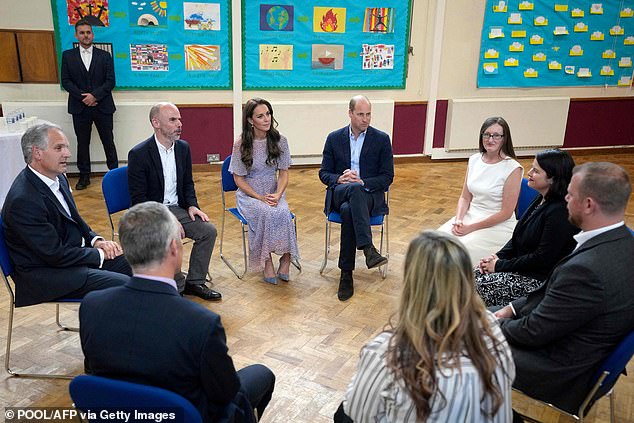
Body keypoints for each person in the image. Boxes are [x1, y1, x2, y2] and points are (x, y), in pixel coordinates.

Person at [79, 201, 275, 422]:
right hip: (185, 415)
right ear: (174, 248)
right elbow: (226, 393)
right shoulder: (201, 322)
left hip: (119, 413)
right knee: (261, 375)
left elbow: (94, 371)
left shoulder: (92, 305)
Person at [495, 162, 634, 417]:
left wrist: (486, 326)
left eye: (570, 194)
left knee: (456, 341)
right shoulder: (623, 240)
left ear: (589, 204)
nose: (565, 199)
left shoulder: (588, 270)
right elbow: (555, 297)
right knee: (475, 316)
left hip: (559, 369)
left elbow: (534, 332)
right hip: (572, 338)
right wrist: (511, 308)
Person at [336, 231, 514, 423]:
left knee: (343, 414)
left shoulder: (387, 352)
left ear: (411, 285)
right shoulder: (491, 326)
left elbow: (358, 413)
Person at [1, 122, 131, 307]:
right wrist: (98, 254)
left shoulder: (58, 178)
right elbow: (53, 254)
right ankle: (114, 333)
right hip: (46, 275)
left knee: (139, 265)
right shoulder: (24, 200)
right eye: (59, 148)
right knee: (124, 286)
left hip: (70, 259)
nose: (67, 154)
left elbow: (75, 220)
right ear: (37, 153)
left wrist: (97, 241)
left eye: (66, 147)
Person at [128, 102, 221, 301]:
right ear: (156, 123)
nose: (179, 124)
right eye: (173, 120)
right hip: (151, 212)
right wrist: (168, 218)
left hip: (177, 208)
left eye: (179, 119)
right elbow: (139, 201)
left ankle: (195, 282)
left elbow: (187, 183)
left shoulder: (183, 148)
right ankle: (175, 290)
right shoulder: (139, 154)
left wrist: (192, 205)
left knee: (208, 231)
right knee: (174, 237)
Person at [475, 149, 579, 306]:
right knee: (467, 277)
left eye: (536, 171)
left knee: (475, 288)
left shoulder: (560, 212)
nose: (529, 172)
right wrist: (496, 257)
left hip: (537, 280)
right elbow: (517, 238)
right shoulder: (541, 198)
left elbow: (542, 259)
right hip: (521, 268)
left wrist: (499, 265)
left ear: (552, 178)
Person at [319, 95, 394, 301]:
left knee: (348, 209)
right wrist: (340, 178)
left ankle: (346, 274)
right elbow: (323, 173)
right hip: (341, 191)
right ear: (350, 113)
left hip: (368, 195)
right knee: (352, 191)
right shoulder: (334, 138)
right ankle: (368, 249)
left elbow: (388, 177)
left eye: (368, 114)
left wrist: (363, 182)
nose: (365, 119)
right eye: (360, 114)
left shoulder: (381, 139)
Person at [229, 98, 299, 283]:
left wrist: (277, 194)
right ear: (251, 120)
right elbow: (238, 179)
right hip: (249, 194)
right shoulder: (241, 144)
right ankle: (266, 260)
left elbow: (284, 174)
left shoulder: (280, 141)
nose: (266, 119)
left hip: (273, 191)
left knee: (283, 212)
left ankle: (286, 257)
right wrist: (258, 196)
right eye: (260, 116)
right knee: (265, 212)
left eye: (268, 114)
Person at [438, 116, 523, 266]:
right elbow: (465, 197)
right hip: (471, 216)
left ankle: (454, 286)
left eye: (496, 135)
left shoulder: (513, 168)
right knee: (435, 243)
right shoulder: (474, 160)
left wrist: (471, 228)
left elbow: (506, 213)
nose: (490, 139)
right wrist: (459, 219)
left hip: (497, 224)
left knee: (459, 251)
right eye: (487, 134)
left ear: (504, 139)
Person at [61, 18, 118, 190]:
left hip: (103, 106)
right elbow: (66, 81)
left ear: (92, 34)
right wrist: (83, 97)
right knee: (82, 142)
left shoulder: (105, 56)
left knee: (108, 141)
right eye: (82, 32)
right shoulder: (67, 56)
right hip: (80, 107)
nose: (85, 35)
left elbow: (110, 81)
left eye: (88, 32)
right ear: (76, 35)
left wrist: (95, 96)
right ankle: (84, 176)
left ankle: (114, 175)